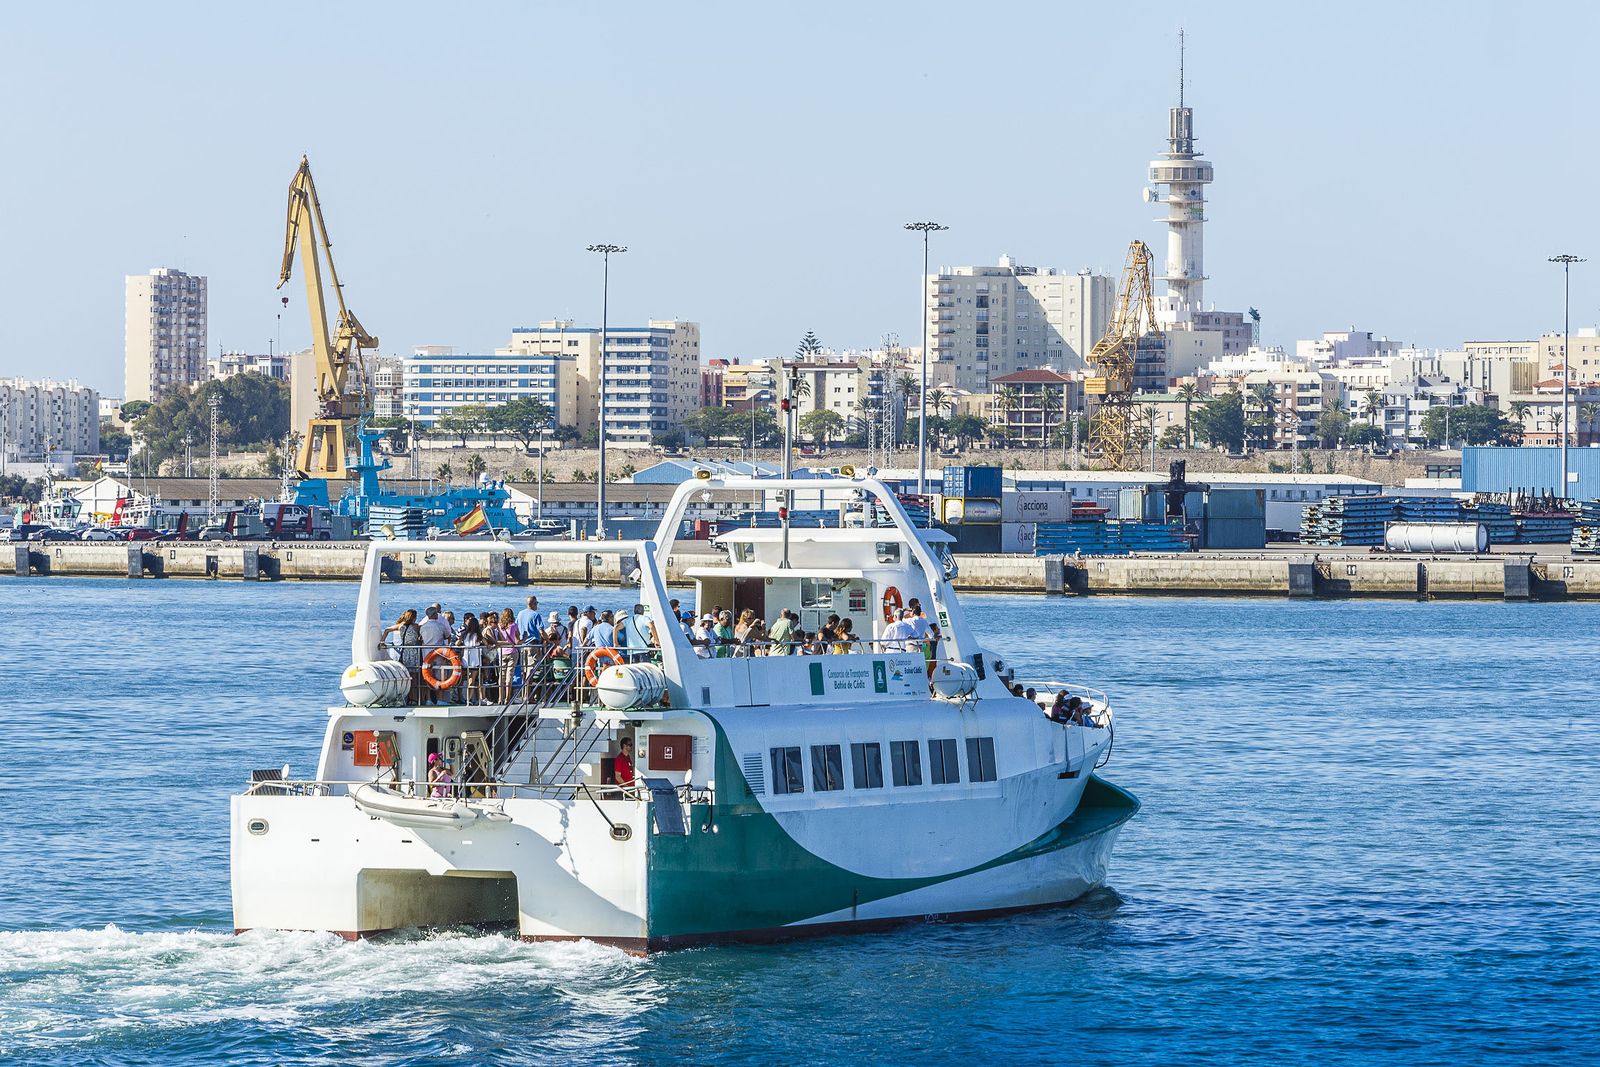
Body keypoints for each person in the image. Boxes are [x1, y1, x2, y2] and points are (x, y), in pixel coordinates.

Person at [383, 609, 424, 704]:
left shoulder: (400, 626)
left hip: (405, 651)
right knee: (415, 676)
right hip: (414, 652)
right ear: (414, 617)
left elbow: (387, 630)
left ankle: (404, 697)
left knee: (406, 675)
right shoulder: (417, 627)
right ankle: (414, 699)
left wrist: (382, 642)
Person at [460, 613, 483, 705]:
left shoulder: (465, 634)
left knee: (466, 680)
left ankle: (465, 698)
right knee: (472, 681)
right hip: (474, 660)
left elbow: (458, 642)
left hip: (465, 659)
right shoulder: (477, 635)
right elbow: (485, 642)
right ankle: (468, 699)